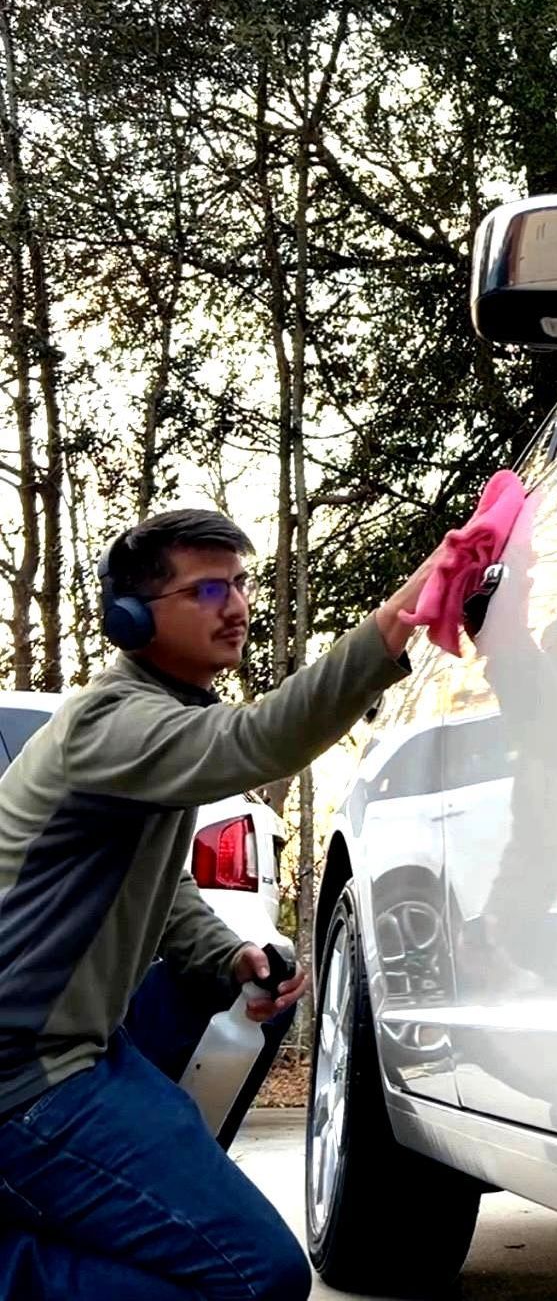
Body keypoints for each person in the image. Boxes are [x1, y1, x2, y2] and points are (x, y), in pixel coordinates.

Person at [0, 508, 434, 1300]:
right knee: (252, 1276)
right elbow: (261, 739)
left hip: (81, 1048)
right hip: (23, 1074)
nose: (235, 604)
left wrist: (227, 954)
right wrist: (399, 619)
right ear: (129, 617)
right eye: (205, 588)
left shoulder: (153, 721)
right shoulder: (115, 721)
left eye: (238, 582)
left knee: (232, 1264)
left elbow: (159, 888)